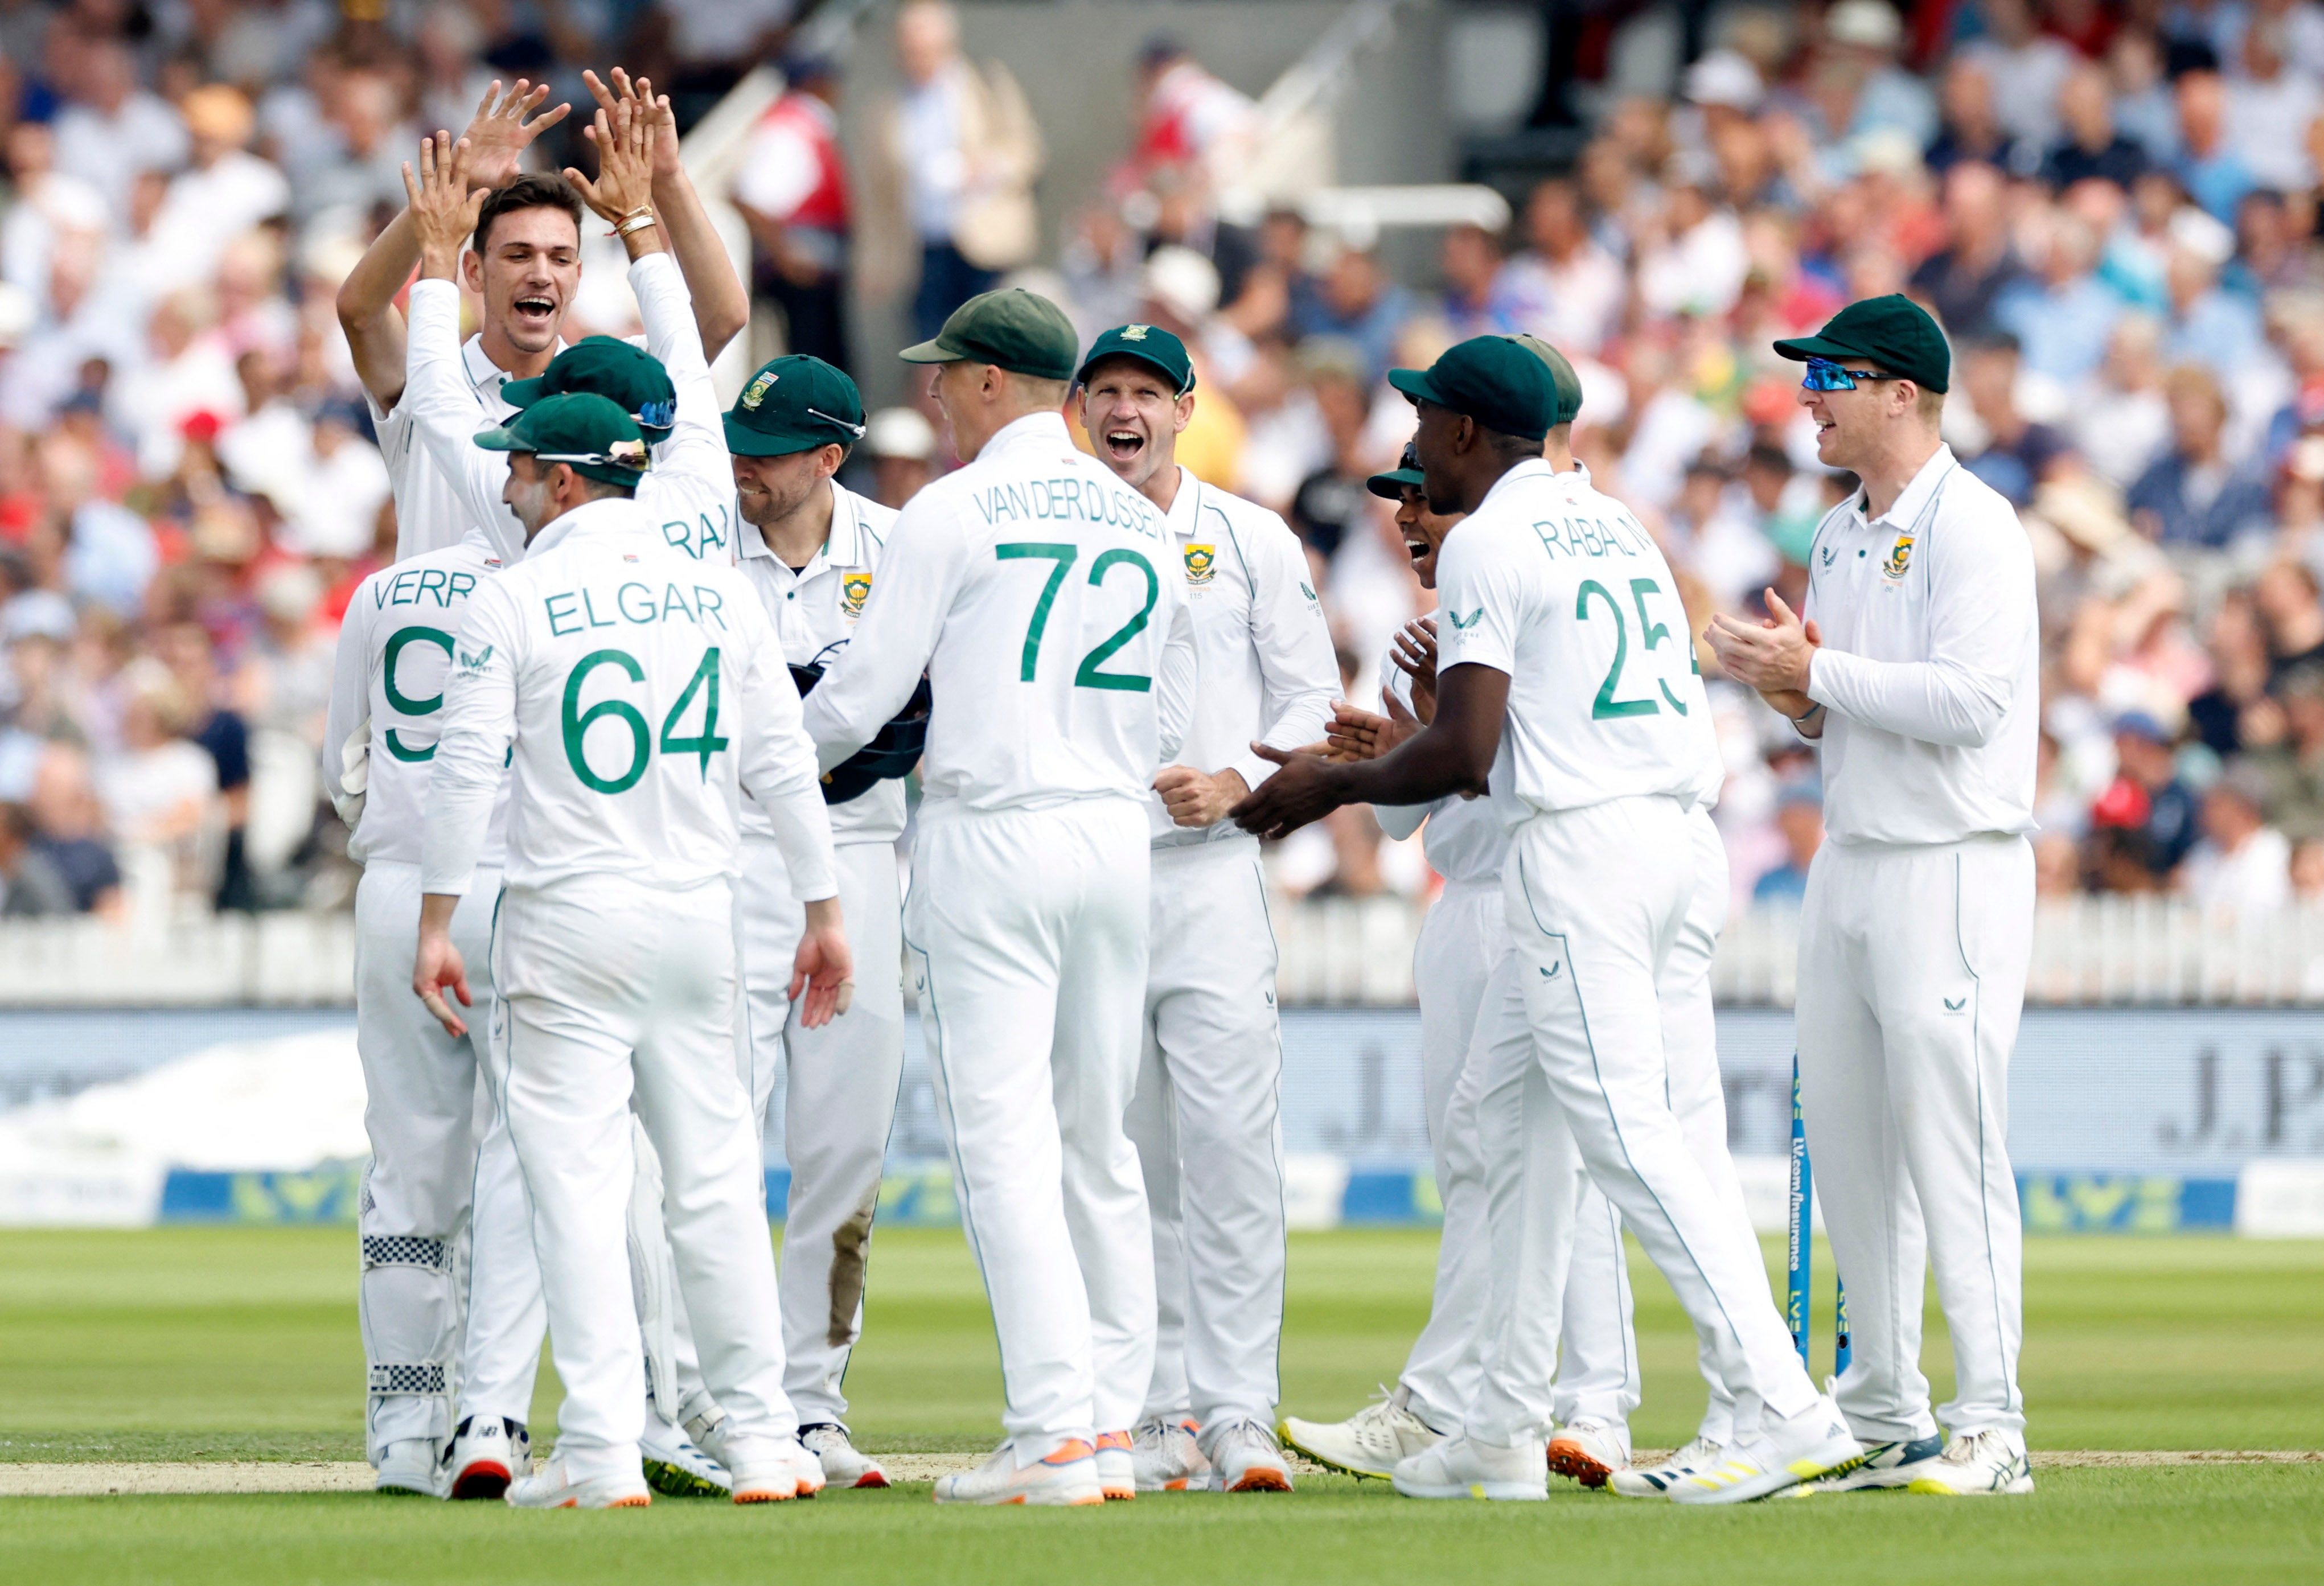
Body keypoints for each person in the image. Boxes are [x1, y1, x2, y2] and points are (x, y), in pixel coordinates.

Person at [1234, 335, 1858, 1505]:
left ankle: (1783, 1411)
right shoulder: (1609, 517)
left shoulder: (1486, 541)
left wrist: (1329, 784)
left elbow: (1467, 750)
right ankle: (1496, 1426)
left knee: (1627, 1137)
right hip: (1675, 839)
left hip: (1583, 852)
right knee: (1501, 1123)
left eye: (1424, 427)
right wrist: (1396, 750)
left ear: (1467, 433)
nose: (1412, 451)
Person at [413, 391, 852, 1510]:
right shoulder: (716, 594)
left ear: (564, 481)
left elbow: (466, 769)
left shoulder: (512, 598)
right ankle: (760, 1439)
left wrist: (435, 919)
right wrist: (823, 909)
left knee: (575, 1186)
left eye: (519, 469)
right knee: (713, 1184)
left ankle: (604, 1449)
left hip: (569, 910)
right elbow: (785, 766)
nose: (508, 486)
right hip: (701, 911)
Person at [799, 289, 1197, 1506]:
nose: (928, 392)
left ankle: (1052, 1429)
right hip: (1112, 835)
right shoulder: (1139, 518)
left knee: (1006, 1142)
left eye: (943, 373)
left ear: (988, 381)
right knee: (1098, 1141)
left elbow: (859, 697)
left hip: (995, 831)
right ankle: (1112, 1430)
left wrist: (744, 772)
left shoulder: (950, 509)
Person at [397, 107, 744, 1501]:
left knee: (539, 1158)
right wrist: (649, 220)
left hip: (524, 865)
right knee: (679, 1176)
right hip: (675, 878)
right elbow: (702, 387)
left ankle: (507, 1417)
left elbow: (433, 396)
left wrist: (436, 260)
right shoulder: (696, 500)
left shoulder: (510, 505)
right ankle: (712, 1417)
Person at [1705, 293, 2040, 1496]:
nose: (1809, 397)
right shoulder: (1842, 533)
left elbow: (1970, 703)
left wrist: (1818, 670)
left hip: (1953, 860)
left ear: (1901, 392)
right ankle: (1886, 1407)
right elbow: (1838, 705)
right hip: (1851, 854)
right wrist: (1784, 690)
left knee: (1951, 1143)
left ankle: (1991, 1424)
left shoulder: (1978, 526)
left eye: (1830, 376)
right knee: (1846, 1142)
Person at [1073, 322, 1337, 1494]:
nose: (1123, 412)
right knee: (1120, 1158)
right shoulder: (1057, 531)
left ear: (1185, 407)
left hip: (1213, 877)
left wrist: (1237, 776)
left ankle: (1236, 1409)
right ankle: (1145, 1405)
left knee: (1229, 1151)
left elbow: (1315, 697)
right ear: (1079, 407)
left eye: (1146, 392)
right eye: (1104, 391)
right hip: (1090, 875)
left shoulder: (1247, 536)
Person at [721, 352, 908, 1490]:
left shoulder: (896, 550)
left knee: (844, 1148)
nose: (749, 465)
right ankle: (718, 1393)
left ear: (830, 455)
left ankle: (811, 1405)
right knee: (715, 1139)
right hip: (728, 854)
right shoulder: (700, 542)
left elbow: (913, 720)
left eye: (775, 449)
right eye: (742, 443)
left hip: (862, 854)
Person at [335, 73, 746, 564]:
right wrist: (457, 185)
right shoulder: (425, 378)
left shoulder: (620, 380)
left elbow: (723, 315)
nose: (540, 274)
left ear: (578, 275)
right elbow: (360, 313)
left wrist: (668, 178)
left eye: (558, 258)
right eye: (517, 255)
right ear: (474, 270)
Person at [321, 505, 510, 1498]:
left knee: (407, 1163)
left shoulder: (387, 589)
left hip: (399, 883)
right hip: (527, 880)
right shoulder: (554, 583)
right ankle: (503, 1411)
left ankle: (403, 1424)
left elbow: (336, 764)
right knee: (547, 1163)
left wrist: (394, 835)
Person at [864, 1, 1045, 342]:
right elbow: (879, 195)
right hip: (922, 250)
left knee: (990, 347)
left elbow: (1026, 152)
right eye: (908, 49)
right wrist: (876, 262)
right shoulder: (887, 110)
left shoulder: (985, 86)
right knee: (930, 351)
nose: (916, 58)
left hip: (984, 243)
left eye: (925, 48)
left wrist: (986, 168)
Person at [732, 54, 853, 369]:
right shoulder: (790, 130)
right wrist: (786, 255)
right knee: (812, 360)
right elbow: (752, 199)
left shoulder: (805, 126)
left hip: (816, 269)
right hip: (802, 272)